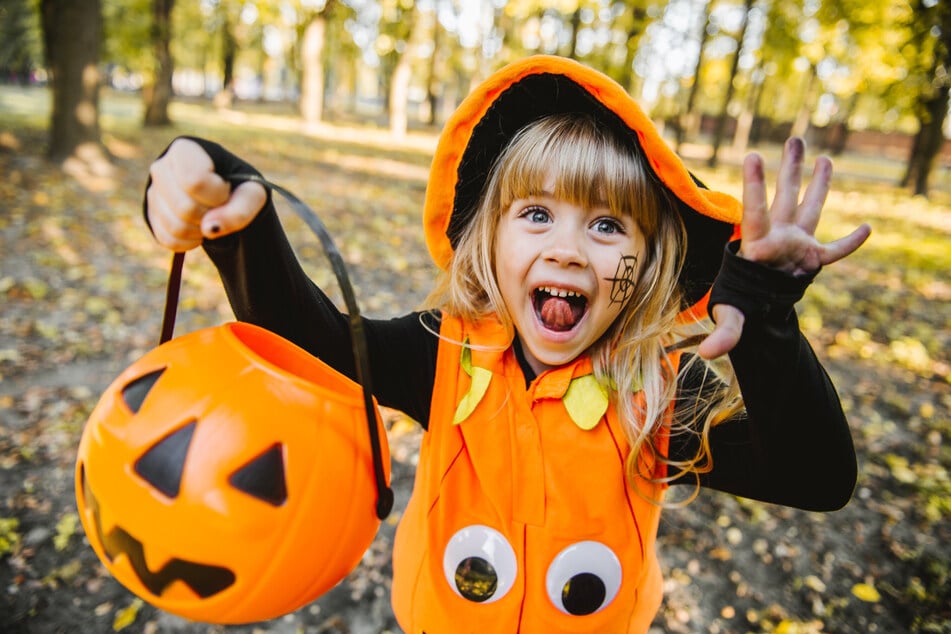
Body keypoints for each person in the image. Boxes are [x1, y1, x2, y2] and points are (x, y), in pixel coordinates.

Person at [144, 56, 870, 633]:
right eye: (535, 213)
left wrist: (768, 322)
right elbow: (312, 344)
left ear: (647, 264)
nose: (566, 250)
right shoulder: (443, 356)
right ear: (488, 241)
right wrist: (230, 208)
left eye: (608, 225)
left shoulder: (659, 390)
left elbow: (816, 477)